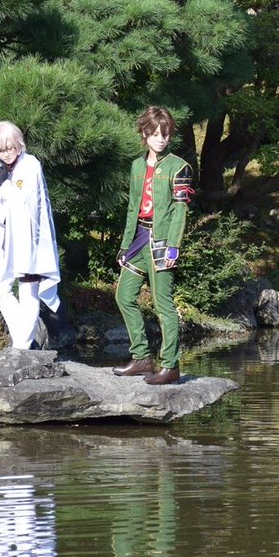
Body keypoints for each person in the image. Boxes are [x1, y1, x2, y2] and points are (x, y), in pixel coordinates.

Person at [111, 106, 193, 385]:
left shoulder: (179, 167)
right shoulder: (136, 166)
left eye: (165, 134)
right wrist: (125, 245)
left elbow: (180, 210)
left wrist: (174, 246)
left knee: (163, 305)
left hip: (161, 242)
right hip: (138, 240)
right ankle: (142, 358)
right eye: (155, 134)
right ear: (144, 134)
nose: (160, 139)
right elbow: (132, 207)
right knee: (124, 296)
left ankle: (170, 365)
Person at [0, 121, 62, 349]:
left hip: (30, 239)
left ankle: (21, 347)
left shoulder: (30, 165)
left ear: (18, 143)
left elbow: (27, 204)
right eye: (0, 150)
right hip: (8, 239)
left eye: (9, 148)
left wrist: (4, 189)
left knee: (28, 289)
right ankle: (24, 341)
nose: (5, 154)